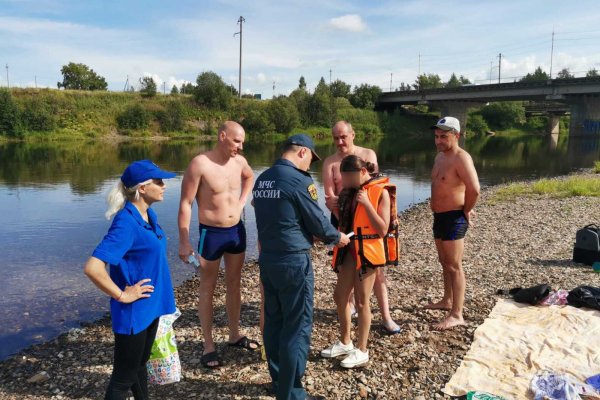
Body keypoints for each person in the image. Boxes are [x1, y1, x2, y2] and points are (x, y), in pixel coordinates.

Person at [253, 134, 351, 400]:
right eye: (311, 159)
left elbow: (274, 214)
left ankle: (278, 380)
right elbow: (317, 221)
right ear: (302, 153)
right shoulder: (298, 179)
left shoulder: (262, 179)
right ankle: (291, 392)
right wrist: (337, 237)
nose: (310, 165)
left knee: (274, 322)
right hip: (294, 261)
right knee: (296, 326)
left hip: (269, 260)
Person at [84, 160, 177, 399]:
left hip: (150, 307)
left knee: (139, 366)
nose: (164, 185)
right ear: (142, 188)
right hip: (134, 312)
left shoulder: (147, 215)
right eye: (158, 181)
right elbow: (93, 268)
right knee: (122, 379)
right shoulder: (126, 222)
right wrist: (122, 294)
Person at [177, 121, 257, 368]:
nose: (240, 147)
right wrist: (183, 241)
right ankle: (208, 345)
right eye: (236, 141)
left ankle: (234, 335)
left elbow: (250, 177)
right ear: (223, 136)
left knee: (234, 283)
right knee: (207, 287)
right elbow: (186, 203)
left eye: (242, 142)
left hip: (236, 231)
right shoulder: (200, 164)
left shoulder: (240, 163)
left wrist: (243, 201)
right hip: (210, 234)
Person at [322, 121, 401, 334]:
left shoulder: (367, 154)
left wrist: (370, 216)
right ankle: (349, 311)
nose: (340, 142)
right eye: (336, 138)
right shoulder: (330, 163)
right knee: (344, 269)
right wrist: (343, 221)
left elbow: (376, 188)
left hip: (369, 221)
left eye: (343, 137)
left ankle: (386, 316)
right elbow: (330, 198)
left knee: (376, 273)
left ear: (353, 135)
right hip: (342, 221)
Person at [425, 116, 480, 330]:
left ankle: (457, 314)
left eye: (444, 136)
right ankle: (447, 300)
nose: (439, 140)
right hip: (439, 216)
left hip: (454, 216)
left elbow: (474, 189)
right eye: (437, 136)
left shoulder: (461, 158)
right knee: (443, 261)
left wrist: (466, 210)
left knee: (455, 266)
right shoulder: (440, 157)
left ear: (456, 136)